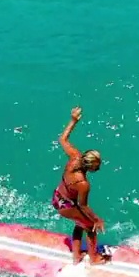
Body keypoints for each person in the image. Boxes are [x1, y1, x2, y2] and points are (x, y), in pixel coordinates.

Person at [51, 106, 109, 264]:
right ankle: (94, 259)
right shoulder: (83, 184)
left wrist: (73, 121)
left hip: (57, 197)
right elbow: (83, 206)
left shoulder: (75, 157)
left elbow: (62, 139)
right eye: (97, 166)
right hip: (66, 206)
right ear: (90, 167)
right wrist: (97, 219)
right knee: (90, 226)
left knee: (80, 221)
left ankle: (76, 256)